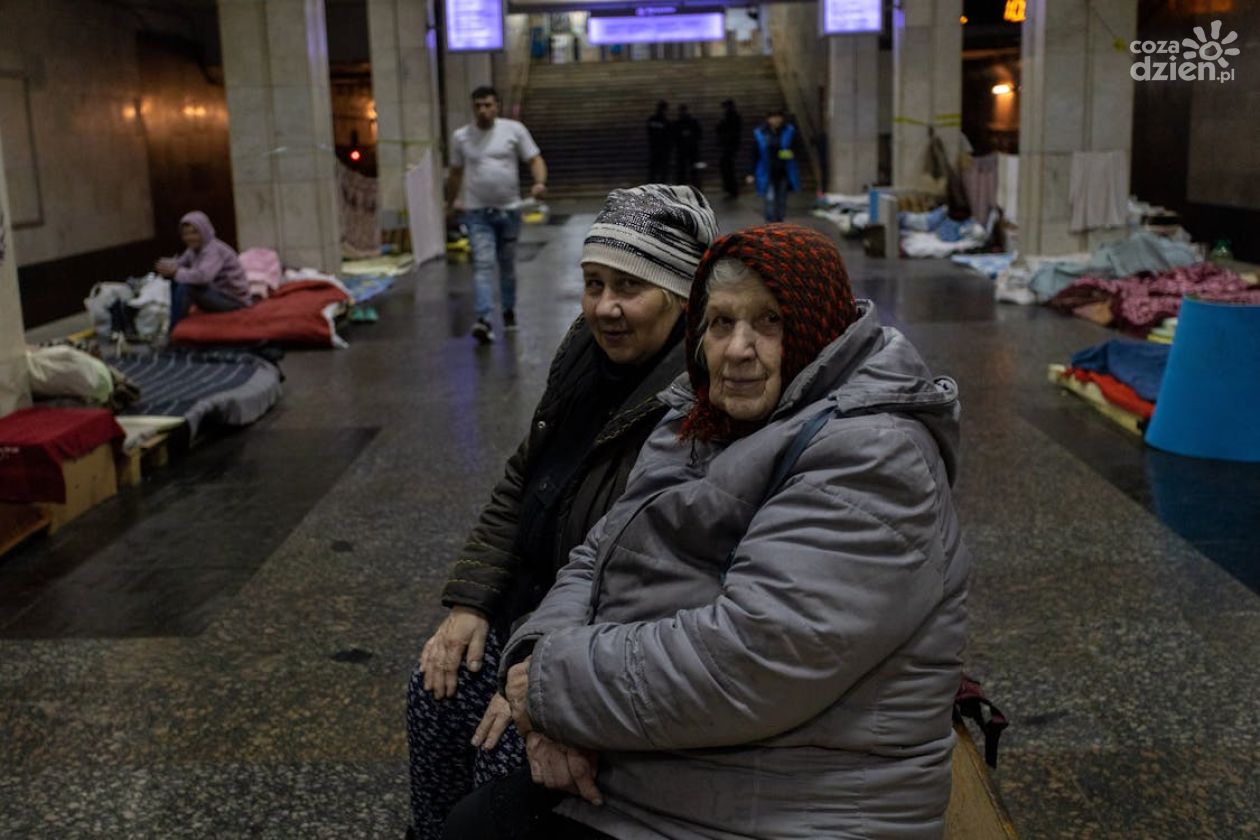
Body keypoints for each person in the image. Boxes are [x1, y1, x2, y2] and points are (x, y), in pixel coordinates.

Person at [446, 223, 970, 840]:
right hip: (691, 761)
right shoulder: (696, 415)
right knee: (470, 801)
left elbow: (750, 658)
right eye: (720, 324)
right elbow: (595, 554)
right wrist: (539, 662)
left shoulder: (873, 457)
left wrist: (551, 690)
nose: (737, 349)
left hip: (788, 798)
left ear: (815, 327)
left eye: (768, 322)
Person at [405, 184, 719, 840]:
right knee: (433, 690)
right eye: (593, 283)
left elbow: (655, 589)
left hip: (608, 649)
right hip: (546, 611)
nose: (605, 307)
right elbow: (526, 477)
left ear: (683, 295)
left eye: (629, 287)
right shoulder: (585, 353)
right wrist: (473, 602)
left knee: (502, 754)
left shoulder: (698, 402)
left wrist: (536, 683)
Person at [447, 86, 548, 344]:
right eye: (478, 105)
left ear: (497, 106)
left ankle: (508, 310)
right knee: (482, 264)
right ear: (473, 108)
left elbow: (534, 159)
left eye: (488, 105)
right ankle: (483, 318)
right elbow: (456, 172)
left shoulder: (513, 130)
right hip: (477, 212)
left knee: (507, 265)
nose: (483, 110)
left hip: (510, 211)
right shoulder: (461, 137)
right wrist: (449, 203)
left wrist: (538, 182)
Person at [154, 211, 251, 329]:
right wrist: (167, 266)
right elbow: (180, 263)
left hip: (234, 301)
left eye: (195, 233)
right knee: (176, 280)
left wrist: (176, 272)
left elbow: (203, 277)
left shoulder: (213, 250)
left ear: (204, 231)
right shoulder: (194, 249)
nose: (189, 237)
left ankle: (174, 329)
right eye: (185, 234)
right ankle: (177, 321)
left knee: (187, 287)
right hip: (217, 294)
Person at [748, 108, 800, 222]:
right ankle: (770, 223)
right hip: (767, 171)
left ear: (782, 118)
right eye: (773, 117)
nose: (776, 120)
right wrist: (751, 172)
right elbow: (754, 153)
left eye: (778, 117)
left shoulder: (789, 131)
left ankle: (779, 221)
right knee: (770, 198)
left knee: (781, 199)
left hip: (783, 171)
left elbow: (795, 150)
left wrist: (783, 154)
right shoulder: (760, 133)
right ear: (768, 119)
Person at [715, 99, 743, 199]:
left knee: (727, 167)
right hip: (729, 146)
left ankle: (732, 190)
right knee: (726, 167)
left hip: (730, 146)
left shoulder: (732, 117)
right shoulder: (729, 117)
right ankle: (730, 189)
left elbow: (731, 132)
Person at [671, 105, 702, 186]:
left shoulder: (692, 122)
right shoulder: (678, 123)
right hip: (684, 150)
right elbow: (673, 136)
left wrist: (689, 135)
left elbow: (699, 134)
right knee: (683, 171)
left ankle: (695, 187)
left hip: (691, 150)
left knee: (692, 171)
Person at [646, 101, 671, 183]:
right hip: (660, 149)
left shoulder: (653, 120)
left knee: (655, 171)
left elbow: (649, 132)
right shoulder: (665, 121)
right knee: (660, 171)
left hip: (656, 148)